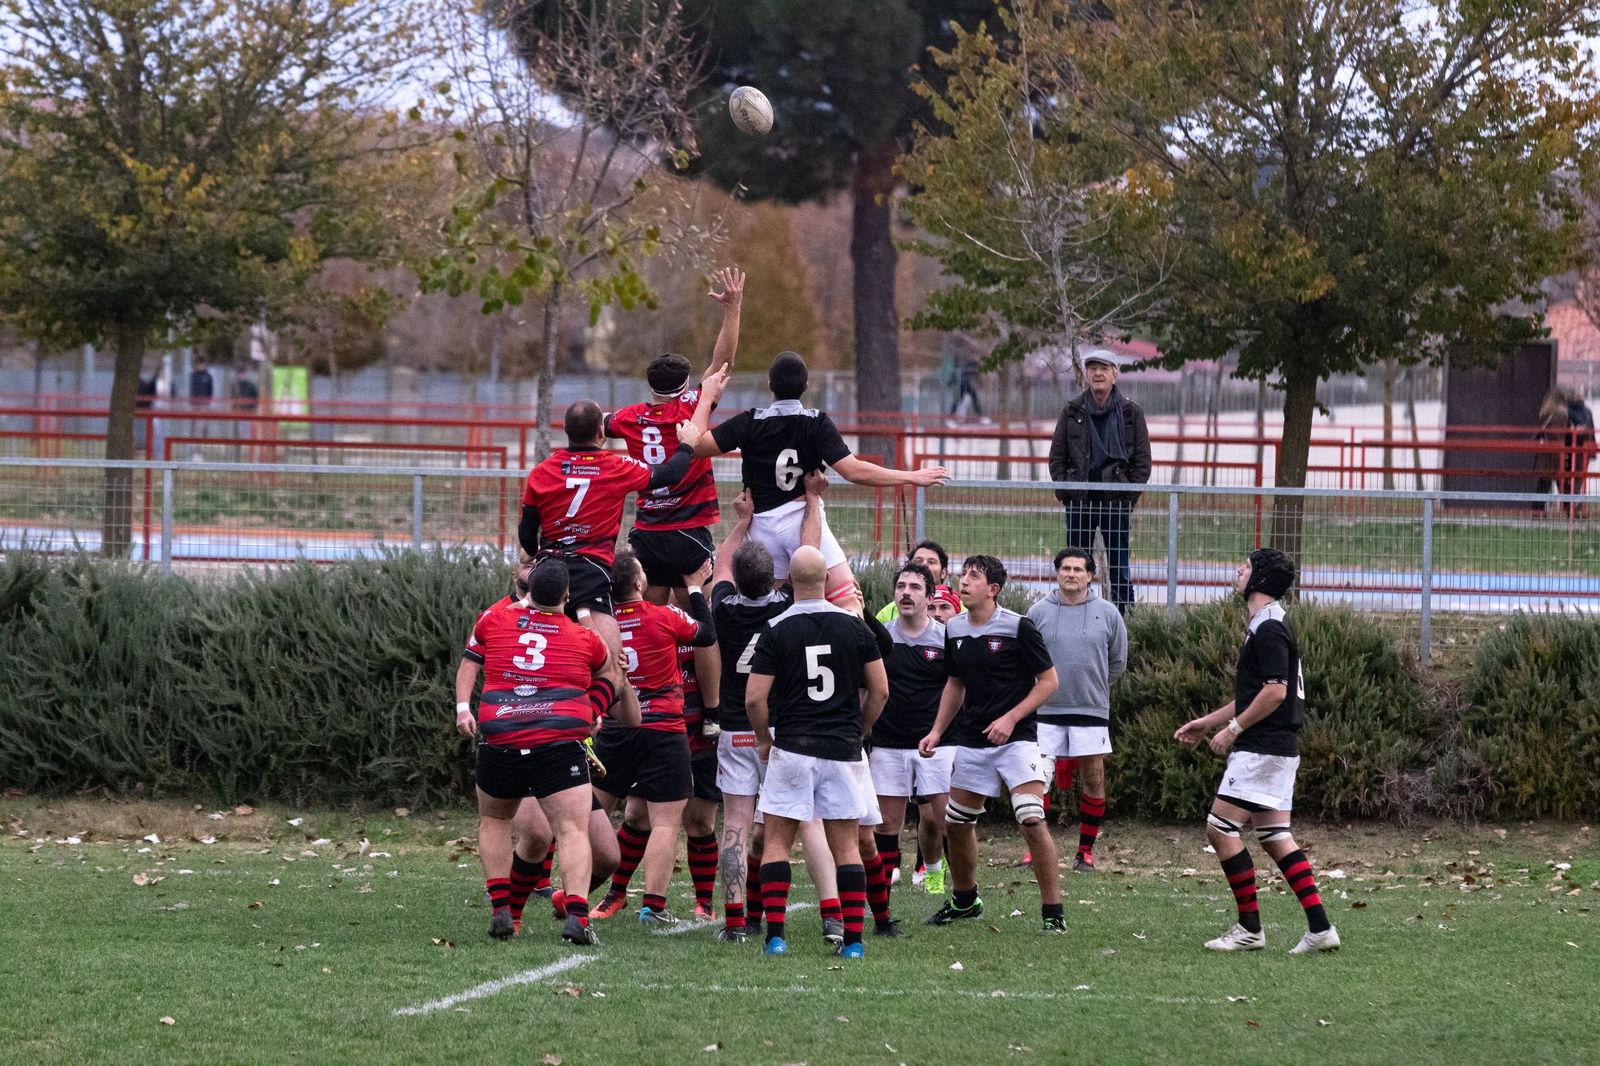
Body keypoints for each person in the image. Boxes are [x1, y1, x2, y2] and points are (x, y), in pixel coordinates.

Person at [1173, 548, 1340, 955]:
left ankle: (1250, 928)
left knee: (1220, 828)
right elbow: (1256, 693)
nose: (1238, 570)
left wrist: (1232, 730)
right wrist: (1208, 722)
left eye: (1245, 566)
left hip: (1263, 746)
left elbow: (1275, 692)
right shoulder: (1267, 623)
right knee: (1274, 834)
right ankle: (1320, 928)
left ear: (1260, 578)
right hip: (1278, 746)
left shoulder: (1268, 628)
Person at [455, 558, 626, 946]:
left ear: (529, 592)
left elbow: (471, 660)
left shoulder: (492, 620)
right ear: (566, 596)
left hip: (501, 737)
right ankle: (578, 917)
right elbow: (608, 678)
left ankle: (502, 906)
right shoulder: (582, 637)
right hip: (557, 742)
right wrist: (592, 711)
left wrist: (464, 708)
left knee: (494, 820)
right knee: (571, 830)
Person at [693, 349, 949, 603]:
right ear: (806, 385)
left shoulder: (750, 421)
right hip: (806, 519)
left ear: (770, 385)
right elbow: (854, 470)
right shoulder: (816, 423)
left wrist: (705, 400)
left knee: (775, 608)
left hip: (761, 525)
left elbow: (698, 445)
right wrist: (911, 476)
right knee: (850, 602)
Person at [710, 475, 841, 943]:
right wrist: (811, 502)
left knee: (737, 825)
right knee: (808, 822)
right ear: (777, 578)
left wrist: (741, 523)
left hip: (733, 728)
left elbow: (722, 563)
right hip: (777, 730)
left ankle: (733, 922)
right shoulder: (787, 610)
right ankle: (832, 914)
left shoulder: (722, 607)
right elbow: (809, 555)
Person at [519, 400, 707, 724]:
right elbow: (670, 474)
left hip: (547, 574)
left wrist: (544, 551)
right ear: (601, 433)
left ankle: (535, 716)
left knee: (535, 657)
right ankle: (590, 720)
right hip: (590, 575)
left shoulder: (542, 472)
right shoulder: (615, 466)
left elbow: (526, 536)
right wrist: (687, 444)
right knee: (612, 668)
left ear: (565, 432)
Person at [747, 546, 889, 958]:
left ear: (789, 582)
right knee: (846, 846)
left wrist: (763, 738)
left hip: (792, 747)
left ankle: (775, 937)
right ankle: (855, 943)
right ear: (827, 579)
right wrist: (859, 729)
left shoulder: (775, 628)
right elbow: (880, 690)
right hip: (842, 750)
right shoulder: (855, 627)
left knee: (776, 841)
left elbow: (756, 699)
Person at [918, 555, 1063, 934]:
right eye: (964, 574)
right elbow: (955, 684)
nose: (964, 581)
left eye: (974, 576)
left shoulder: (1019, 627)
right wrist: (936, 731)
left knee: (1031, 817)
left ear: (993, 589)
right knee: (957, 822)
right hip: (972, 741)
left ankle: (1053, 912)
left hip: (1018, 740)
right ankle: (965, 900)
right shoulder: (955, 630)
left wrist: (1011, 717)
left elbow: (1048, 683)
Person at [589, 552, 717, 924]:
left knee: (587, 813)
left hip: (616, 730)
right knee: (664, 822)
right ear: (639, 584)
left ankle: (576, 895)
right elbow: (706, 633)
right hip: (663, 730)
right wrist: (694, 589)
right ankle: (653, 907)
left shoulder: (601, 623)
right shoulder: (663, 616)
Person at [606, 268, 742, 604]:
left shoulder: (629, 417)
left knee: (646, 620)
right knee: (700, 622)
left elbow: (596, 423)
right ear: (685, 385)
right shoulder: (693, 407)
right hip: (687, 530)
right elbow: (723, 362)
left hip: (648, 532)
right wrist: (732, 308)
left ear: (651, 385)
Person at [1027, 548, 1127, 873]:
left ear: (1090, 576)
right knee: (1036, 780)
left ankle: (1085, 851)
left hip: (1090, 710)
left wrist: (1092, 688)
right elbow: (1025, 659)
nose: (1071, 574)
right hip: (1045, 710)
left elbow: (1117, 662)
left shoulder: (1109, 613)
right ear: (1056, 573)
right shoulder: (1037, 612)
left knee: (1093, 778)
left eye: (1078, 569)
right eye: (1065, 568)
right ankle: (1036, 851)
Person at [869, 561, 953, 897]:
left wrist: (941, 730)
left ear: (929, 597)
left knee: (945, 821)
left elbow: (959, 687)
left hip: (937, 745)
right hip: (889, 743)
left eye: (915, 587)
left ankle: (959, 890)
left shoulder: (946, 639)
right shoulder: (881, 637)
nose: (906, 592)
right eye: (901, 586)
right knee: (887, 825)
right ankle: (881, 899)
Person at [1048, 349, 1152, 614]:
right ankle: (1075, 614)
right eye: (1092, 367)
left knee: (1119, 566)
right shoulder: (1072, 411)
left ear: (1114, 375)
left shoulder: (1131, 413)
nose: (1097, 373)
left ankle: (1123, 619)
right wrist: (1066, 491)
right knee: (1075, 565)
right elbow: (1057, 458)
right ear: (1086, 374)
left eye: (1104, 368)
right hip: (1080, 502)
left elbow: (1142, 463)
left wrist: (1128, 497)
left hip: (1115, 503)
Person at [875, 540, 961, 623]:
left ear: (943, 572)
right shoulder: (887, 613)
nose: (924, 565)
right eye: (918, 561)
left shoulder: (961, 608)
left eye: (931, 562)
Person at [1535, 388, 1571, 508]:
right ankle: (1571, 510)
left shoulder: (1545, 415)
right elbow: (1558, 436)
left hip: (1545, 455)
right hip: (1556, 455)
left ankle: (1537, 511)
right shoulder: (1560, 416)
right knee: (1562, 485)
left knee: (1544, 485)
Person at [1564, 388, 1595, 509]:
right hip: (1577, 448)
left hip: (1580, 448)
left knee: (1577, 477)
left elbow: (1590, 430)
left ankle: (1572, 502)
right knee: (1575, 477)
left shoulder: (1585, 411)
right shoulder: (1580, 411)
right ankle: (1572, 503)